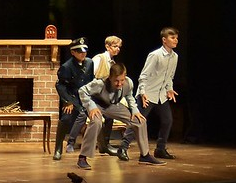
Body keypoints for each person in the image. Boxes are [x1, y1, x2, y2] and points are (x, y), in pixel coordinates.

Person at [76, 62, 166, 169]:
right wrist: (91, 107)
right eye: (116, 81)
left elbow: (129, 97)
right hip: (96, 105)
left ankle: (145, 155)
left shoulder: (128, 83)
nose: (119, 84)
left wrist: (135, 110)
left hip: (112, 105)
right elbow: (82, 91)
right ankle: (83, 157)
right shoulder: (100, 84)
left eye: (122, 80)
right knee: (96, 122)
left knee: (139, 120)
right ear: (110, 77)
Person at [120, 27, 179, 160]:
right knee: (138, 121)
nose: (175, 40)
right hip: (148, 94)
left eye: (176, 38)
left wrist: (169, 89)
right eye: (172, 38)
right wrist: (142, 92)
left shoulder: (175, 57)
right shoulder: (155, 55)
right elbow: (144, 75)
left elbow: (170, 77)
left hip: (161, 95)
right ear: (164, 40)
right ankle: (123, 147)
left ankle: (160, 149)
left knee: (167, 120)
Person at [53, 38, 94, 160]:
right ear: (73, 52)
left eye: (84, 51)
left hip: (86, 97)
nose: (83, 53)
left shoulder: (89, 63)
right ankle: (58, 149)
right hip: (72, 97)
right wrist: (67, 101)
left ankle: (104, 145)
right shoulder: (67, 66)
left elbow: (91, 81)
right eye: (79, 51)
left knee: (99, 116)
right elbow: (60, 86)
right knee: (65, 118)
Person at [83, 35, 123, 157]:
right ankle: (72, 142)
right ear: (107, 46)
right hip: (93, 94)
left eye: (119, 47)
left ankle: (104, 145)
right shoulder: (99, 59)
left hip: (103, 95)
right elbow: (89, 75)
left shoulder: (112, 62)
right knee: (89, 117)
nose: (117, 49)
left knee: (109, 116)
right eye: (115, 46)